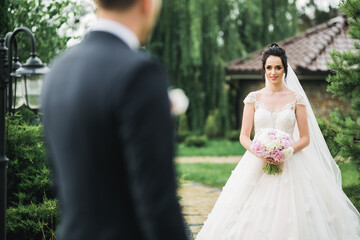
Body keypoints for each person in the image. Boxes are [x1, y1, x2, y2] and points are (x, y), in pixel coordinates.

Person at [41, 0, 187, 239]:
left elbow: (60, 182)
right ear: (147, 4)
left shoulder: (58, 70)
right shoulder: (140, 72)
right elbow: (157, 201)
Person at [195, 43, 360, 240]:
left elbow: (305, 138)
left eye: (278, 67)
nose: (273, 72)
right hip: (257, 161)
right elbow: (244, 136)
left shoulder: (296, 99)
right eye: (269, 67)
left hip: (292, 161)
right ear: (264, 69)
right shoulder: (252, 98)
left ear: (285, 69)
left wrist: (285, 152)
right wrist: (260, 151)